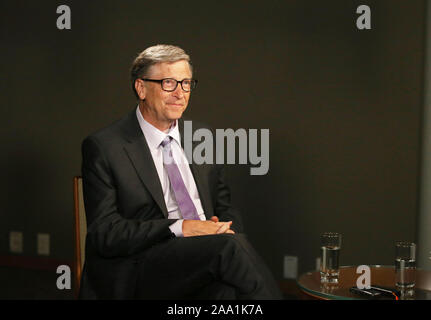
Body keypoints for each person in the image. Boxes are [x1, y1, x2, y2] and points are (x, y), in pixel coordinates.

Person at [79, 44, 282, 300]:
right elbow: (105, 233)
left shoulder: (202, 138)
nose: (180, 93)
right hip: (144, 264)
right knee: (229, 250)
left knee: (227, 292)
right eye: (168, 83)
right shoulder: (105, 146)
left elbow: (225, 206)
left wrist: (224, 229)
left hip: (206, 256)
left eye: (186, 83)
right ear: (141, 88)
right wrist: (181, 227)